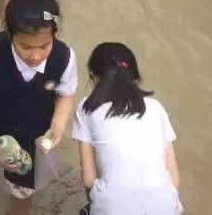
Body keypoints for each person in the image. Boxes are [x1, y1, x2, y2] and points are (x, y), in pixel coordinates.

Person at [0, 0, 77, 214]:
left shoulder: (64, 57)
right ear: (10, 34)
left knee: (22, 192)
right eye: (25, 47)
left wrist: (57, 125)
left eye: (44, 46)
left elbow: (66, 93)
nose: (35, 55)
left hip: (32, 135)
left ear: (54, 34)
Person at [72, 43, 182, 215]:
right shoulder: (156, 107)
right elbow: (174, 180)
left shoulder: (87, 108)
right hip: (164, 206)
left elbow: (88, 180)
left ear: (93, 76)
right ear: (137, 77)